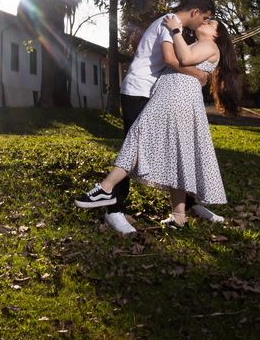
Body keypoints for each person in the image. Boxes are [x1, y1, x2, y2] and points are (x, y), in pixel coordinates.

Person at [75, 15, 242, 227]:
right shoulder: (198, 44)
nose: (204, 22)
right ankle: (178, 217)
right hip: (177, 97)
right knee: (178, 155)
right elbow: (180, 61)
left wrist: (174, 30)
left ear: (217, 35)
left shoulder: (209, 45)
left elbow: (185, 58)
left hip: (174, 98)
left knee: (138, 137)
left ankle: (106, 188)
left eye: (210, 23)